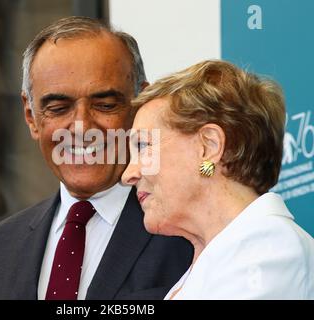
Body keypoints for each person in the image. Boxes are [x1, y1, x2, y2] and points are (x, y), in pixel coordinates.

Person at [0, 16, 193, 300]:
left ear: (141, 105)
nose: (82, 128)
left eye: (105, 105)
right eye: (59, 108)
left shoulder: (188, 231)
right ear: (31, 116)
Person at [122, 60, 314, 299]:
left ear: (208, 146)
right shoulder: (211, 261)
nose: (128, 174)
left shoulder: (269, 246)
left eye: (143, 146)